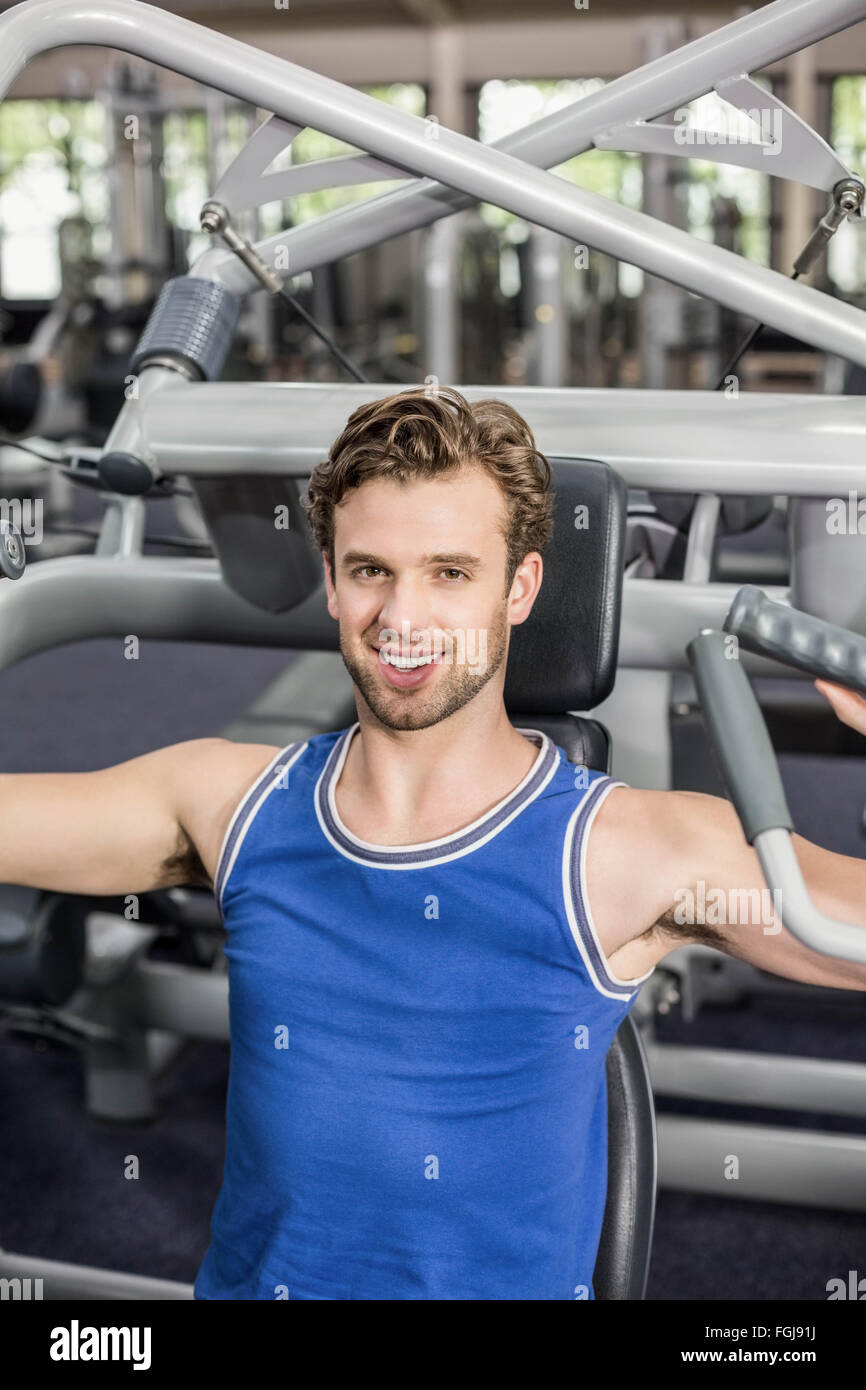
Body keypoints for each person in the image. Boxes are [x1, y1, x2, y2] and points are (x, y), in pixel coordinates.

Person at [3, 386, 865, 1299]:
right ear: (331, 579)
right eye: (372, 570)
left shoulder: (632, 849)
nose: (403, 619)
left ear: (520, 587)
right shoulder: (227, 803)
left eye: (450, 572)